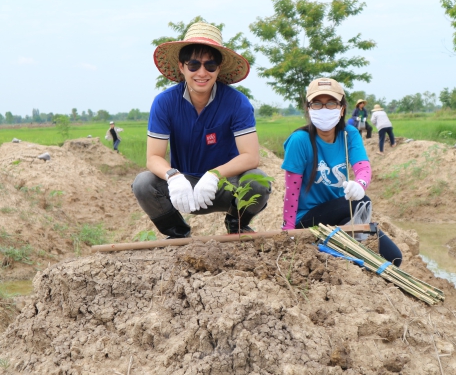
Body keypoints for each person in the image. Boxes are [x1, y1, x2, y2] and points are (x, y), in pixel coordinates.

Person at [132, 22, 271, 239]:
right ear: (182, 67)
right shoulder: (164, 103)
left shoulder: (237, 102)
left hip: (224, 185)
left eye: (210, 65)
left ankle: (236, 224)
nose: (202, 73)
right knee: (143, 183)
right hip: (183, 188)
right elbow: (153, 157)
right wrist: (173, 177)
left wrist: (215, 174)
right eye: (194, 65)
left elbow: (251, 156)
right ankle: (178, 234)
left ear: (219, 68)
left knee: (257, 181)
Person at [280, 78, 402, 266]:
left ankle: (341, 251)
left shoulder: (349, 134)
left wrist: (360, 185)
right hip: (307, 218)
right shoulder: (299, 141)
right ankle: (336, 248)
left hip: (341, 213)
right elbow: (291, 191)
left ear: (342, 109)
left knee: (394, 257)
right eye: (317, 104)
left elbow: (363, 167)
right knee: (362, 202)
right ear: (309, 109)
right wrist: (288, 230)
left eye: (331, 103)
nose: (324, 109)